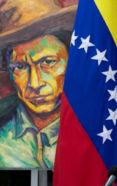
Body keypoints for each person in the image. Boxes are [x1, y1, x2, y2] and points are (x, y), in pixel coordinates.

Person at [0, 0, 76, 168]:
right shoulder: (3, 134)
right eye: (20, 67)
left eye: (48, 62)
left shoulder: (93, 131)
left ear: (69, 62)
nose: (35, 83)